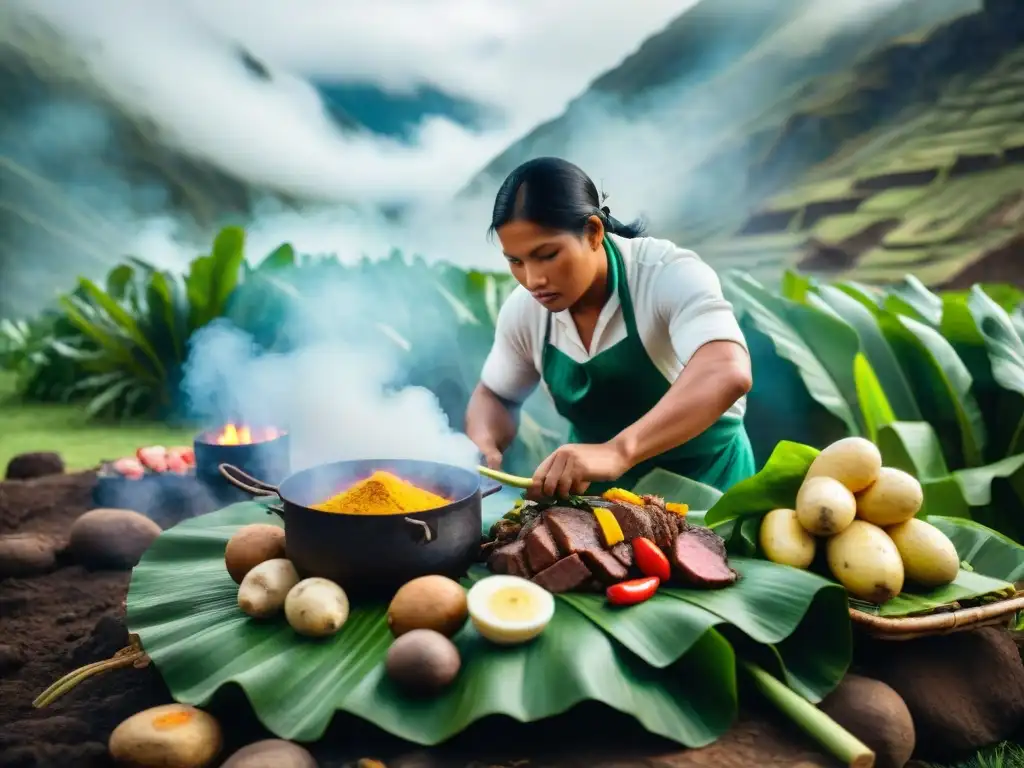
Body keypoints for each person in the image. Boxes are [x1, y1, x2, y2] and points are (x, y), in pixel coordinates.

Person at [465, 157, 755, 500]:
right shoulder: (525, 309)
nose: (533, 280)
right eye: (515, 261)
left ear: (592, 232)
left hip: (706, 490)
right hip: (596, 500)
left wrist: (617, 452)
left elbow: (727, 370)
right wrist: (485, 448)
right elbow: (495, 395)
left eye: (547, 255)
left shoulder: (666, 274)